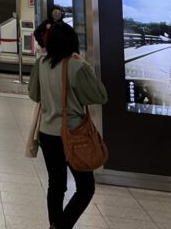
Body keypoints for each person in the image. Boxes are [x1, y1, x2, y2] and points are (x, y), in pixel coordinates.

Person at [28, 21, 108, 229]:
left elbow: (33, 94)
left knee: (56, 184)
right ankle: (60, 226)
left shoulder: (41, 64)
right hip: (73, 136)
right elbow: (99, 95)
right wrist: (86, 66)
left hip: (47, 133)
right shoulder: (77, 66)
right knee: (85, 188)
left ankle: (55, 223)